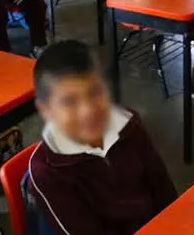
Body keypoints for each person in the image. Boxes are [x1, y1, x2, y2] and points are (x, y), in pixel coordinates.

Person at [28, 41, 177, 234]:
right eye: (69, 101)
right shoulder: (47, 172)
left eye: (95, 92)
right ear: (46, 110)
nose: (88, 111)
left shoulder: (128, 124)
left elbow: (165, 192)